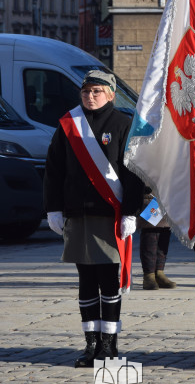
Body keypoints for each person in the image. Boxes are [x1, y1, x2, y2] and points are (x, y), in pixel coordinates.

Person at [44, 69, 144, 368]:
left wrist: (131, 211)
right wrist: (53, 208)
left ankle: (110, 347)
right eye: (86, 91)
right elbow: (54, 169)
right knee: (86, 280)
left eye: (97, 91)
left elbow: (134, 172)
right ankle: (91, 345)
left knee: (108, 281)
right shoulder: (68, 125)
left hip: (109, 216)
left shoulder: (123, 123)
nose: (90, 96)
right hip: (77, 214)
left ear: (111, 94)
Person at [138, 187, 176, 290]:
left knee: (164, 235)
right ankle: (149, 275)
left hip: (166, 195)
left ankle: (159, 272)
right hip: (150, 195)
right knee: (150, 236)